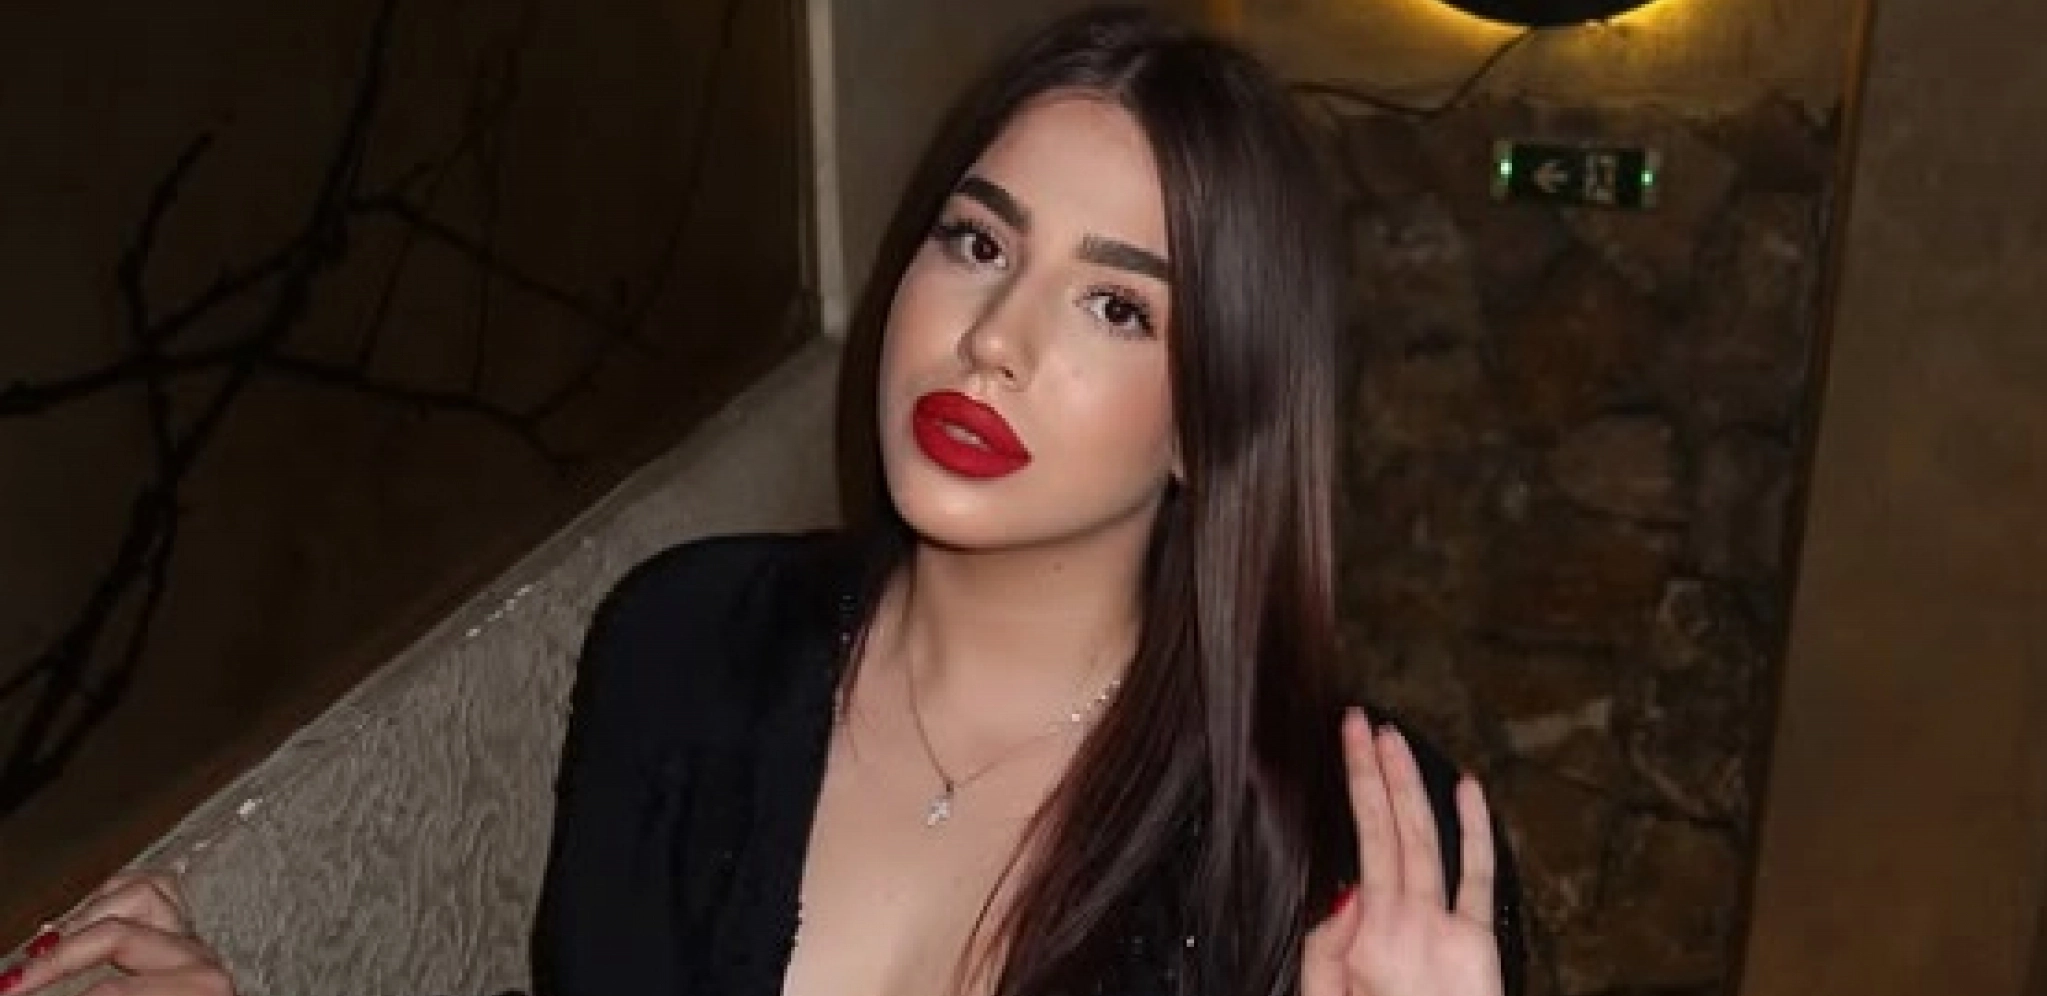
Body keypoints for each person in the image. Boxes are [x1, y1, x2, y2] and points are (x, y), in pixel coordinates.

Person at [3, 6, 1525, 996]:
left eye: (1116, 307)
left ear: (1217, 416)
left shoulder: (1334, 848)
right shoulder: (683, 648)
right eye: (978, 243)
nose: (993, 339)